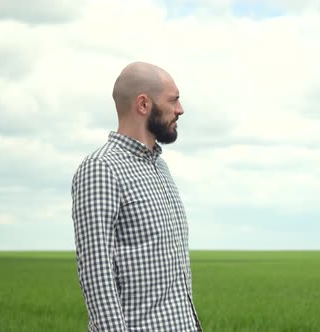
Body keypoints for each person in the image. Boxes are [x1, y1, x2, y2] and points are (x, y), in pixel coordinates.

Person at [71, 62, 202, 331]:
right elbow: (97, 274)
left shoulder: (160, 167)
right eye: (173, 100)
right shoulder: (101, 169)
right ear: (143, 104)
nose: (181, 109)